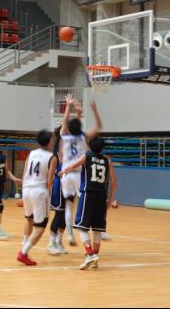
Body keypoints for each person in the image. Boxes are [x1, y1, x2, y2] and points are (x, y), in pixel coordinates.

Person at [59, 136, 117, 270]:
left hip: (88, 194)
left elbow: (73, 166)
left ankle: (90, 254)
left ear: (90, 146)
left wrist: (63, 171)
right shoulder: (108, 161)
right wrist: (110, 200)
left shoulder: (86, 156)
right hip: (102, 197)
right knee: (97, 230)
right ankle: (95, 257)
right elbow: (114, 183)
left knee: (81, 227)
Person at [60, 94, 101, 246]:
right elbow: (98, 126)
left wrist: (68, 106)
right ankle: (95, 229)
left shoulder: (64, 136)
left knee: (69, 205)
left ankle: (70, 234)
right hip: (79, 174)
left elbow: (65, 123)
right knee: (86, 203)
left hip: (66, 173)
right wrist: (94, 111)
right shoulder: (84, 137)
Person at [17, 129, 58, 266]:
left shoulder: (31, 153)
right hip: (39, 191)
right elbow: (50, 182)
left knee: (29, 219)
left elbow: (24, 174)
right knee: (40, 226)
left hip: (26, 189)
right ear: (49, 141)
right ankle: (23, 252)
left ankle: (24, 243)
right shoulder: (52, 157)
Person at [46, 128, 68, 256]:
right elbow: (50, 176)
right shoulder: (55, 157)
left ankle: (59, 241)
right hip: (58, 186)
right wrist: (48, 191)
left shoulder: (70, 155)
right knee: (59, 214)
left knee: (65, 216)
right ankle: (51, 243)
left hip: (68, 186)